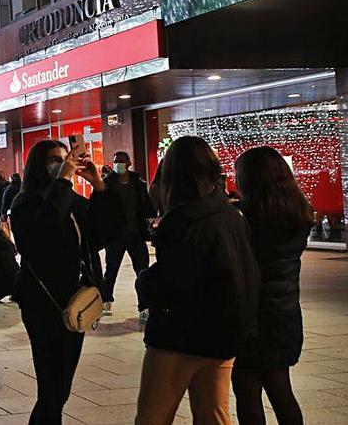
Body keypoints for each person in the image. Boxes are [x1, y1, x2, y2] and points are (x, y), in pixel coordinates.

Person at [134, 136, 259, 425]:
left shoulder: (184, 221)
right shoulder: (230, 213)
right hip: (224, 335)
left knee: (153, 417)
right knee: (214, 415)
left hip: (181, 338)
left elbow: (172, 280)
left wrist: (144, 282)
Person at [10, 139, 107, 425]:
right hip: (42, 303)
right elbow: (46, 233)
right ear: (39, 165)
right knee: (52, 386)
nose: (62, 164)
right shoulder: (25, 203)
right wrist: (64, 180)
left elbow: (106, 231)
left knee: (60, 387)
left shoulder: (71, 200)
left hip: (74, 299)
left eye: (65, 159)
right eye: (55, 160)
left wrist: (98, 186)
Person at [231, 146, 314, 425]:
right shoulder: (298, 215)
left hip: (255, 317)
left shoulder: (248, 223)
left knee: (247, 389)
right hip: (286, 314)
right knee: (280, 388)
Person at [98, 151, 155, 317]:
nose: (118, 165)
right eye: (116, 161)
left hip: (136, 234)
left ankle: (144, 306)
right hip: (115, 236)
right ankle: (106, 301)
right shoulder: (107, 183)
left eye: (121, 161)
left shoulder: (138, 183)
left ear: (129, 163)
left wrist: (151, 221)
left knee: (142, 271)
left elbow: (147, 205)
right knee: (111, 270)